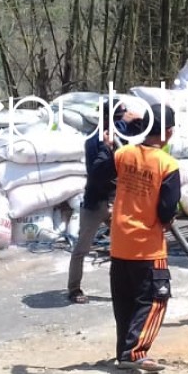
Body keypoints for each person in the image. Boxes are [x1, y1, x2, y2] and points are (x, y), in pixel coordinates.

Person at [98, 104, 181, 374]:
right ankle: (135, 351)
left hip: (120, 243)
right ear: (168, 132)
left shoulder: (123, 155)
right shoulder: (167, 164)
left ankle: (124, 350)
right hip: (148, 246)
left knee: (126, 301)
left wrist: (107, 147)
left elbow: (100, 175)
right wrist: (168, 216)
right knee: (155, 300)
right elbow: (167, 208)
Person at [68, 103, 139, 304]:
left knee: (127, 245)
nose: (120, 123)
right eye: (117, 118)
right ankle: (74, 288)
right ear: (106, 118)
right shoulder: (93, 141)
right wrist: (108, 148)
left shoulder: (122, 134)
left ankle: (126, 287)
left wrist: (137, 118)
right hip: (96, 201)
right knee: (82, 248)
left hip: (116, 199)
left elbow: (146, 131)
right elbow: (96, 173)